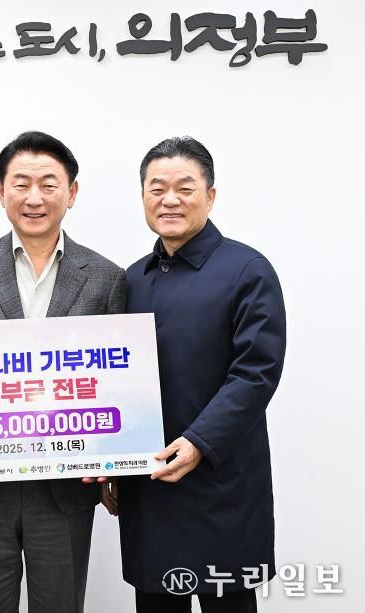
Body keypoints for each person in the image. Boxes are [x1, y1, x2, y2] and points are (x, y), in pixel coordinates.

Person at [0, 131, 126, 613]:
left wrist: (114, 463)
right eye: (21, 184)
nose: (34, 197)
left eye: (48, 184)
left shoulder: (106, 278)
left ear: (72, 193)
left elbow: (118, 384)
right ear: (1, 190)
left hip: (66, 491)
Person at [115, 136, 287, 613]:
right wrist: (111, 462)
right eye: (157, 188)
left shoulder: (247, 270)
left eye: (184, 188)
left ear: (210, 196)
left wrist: (198, 442)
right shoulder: (131, 279)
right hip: (151, 486)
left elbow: (256, 372)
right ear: (143, 197)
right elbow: (110, 380)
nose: (169, 200)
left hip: (220, 481)